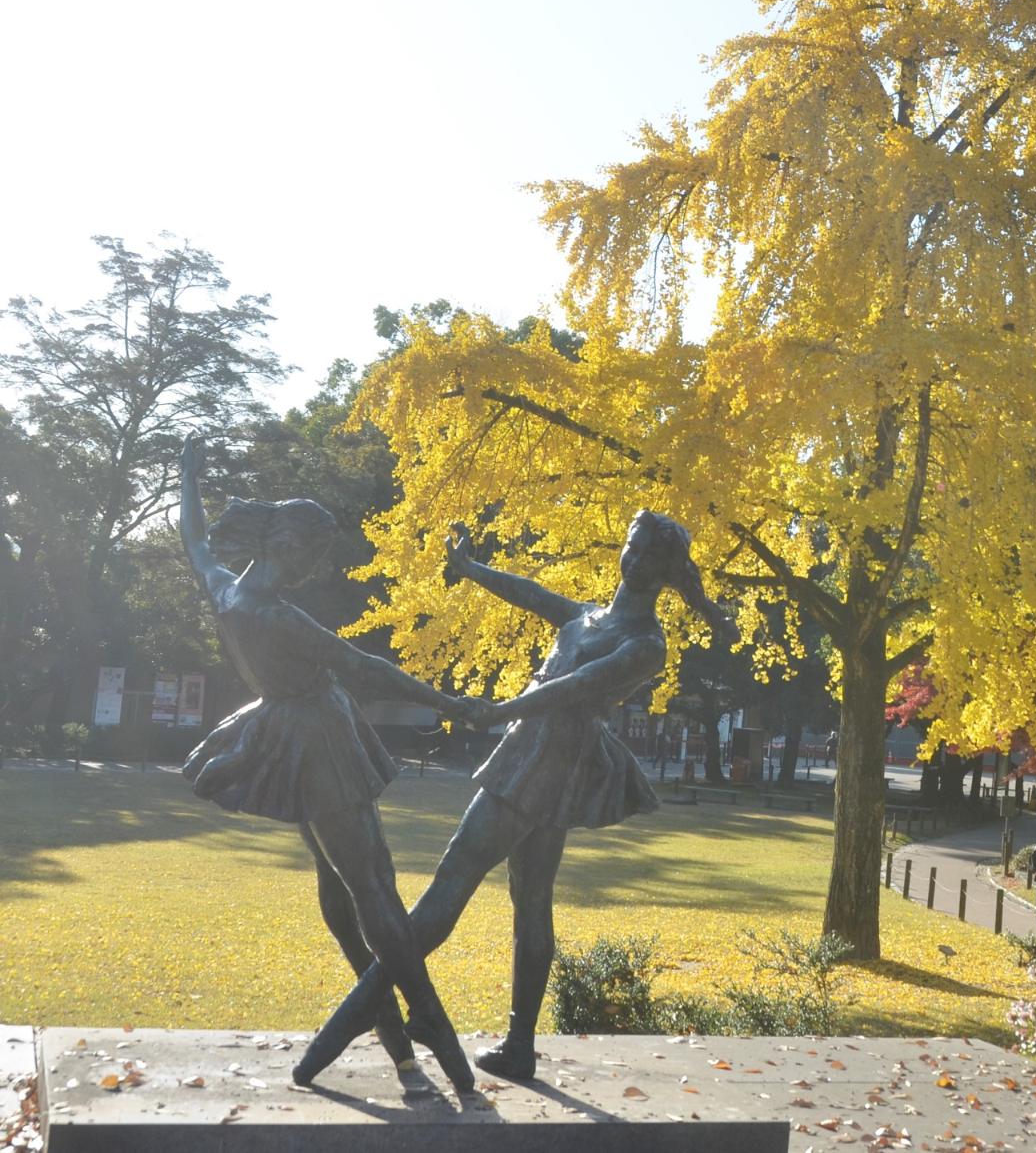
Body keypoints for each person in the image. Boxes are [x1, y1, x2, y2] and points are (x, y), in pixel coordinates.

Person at [292, 509, 733, 1086]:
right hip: (542, 752)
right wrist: (471, 568)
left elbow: (572, 689)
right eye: (633, 545)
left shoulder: (646, 643)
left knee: (453, 880)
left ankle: (360, 1020)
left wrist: (497, 712)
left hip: (548, 758)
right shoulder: (589, 616)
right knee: (531, 900)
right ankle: (517, 1045)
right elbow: (529, 593)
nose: (635, 559)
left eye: (650, 554)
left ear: (668, 572)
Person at [174, 435, 478, 1091]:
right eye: (316, 552)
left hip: (284, 729)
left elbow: (192, 537)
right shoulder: (279, 616)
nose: (319, 567)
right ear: (290, 546)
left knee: (347, 897)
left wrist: (187, 477)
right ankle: (425, 1022)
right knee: (371, 891)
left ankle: (405, 1056)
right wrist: (453, 702)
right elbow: (365, 666)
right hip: (317, 738)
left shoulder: (225, 588)